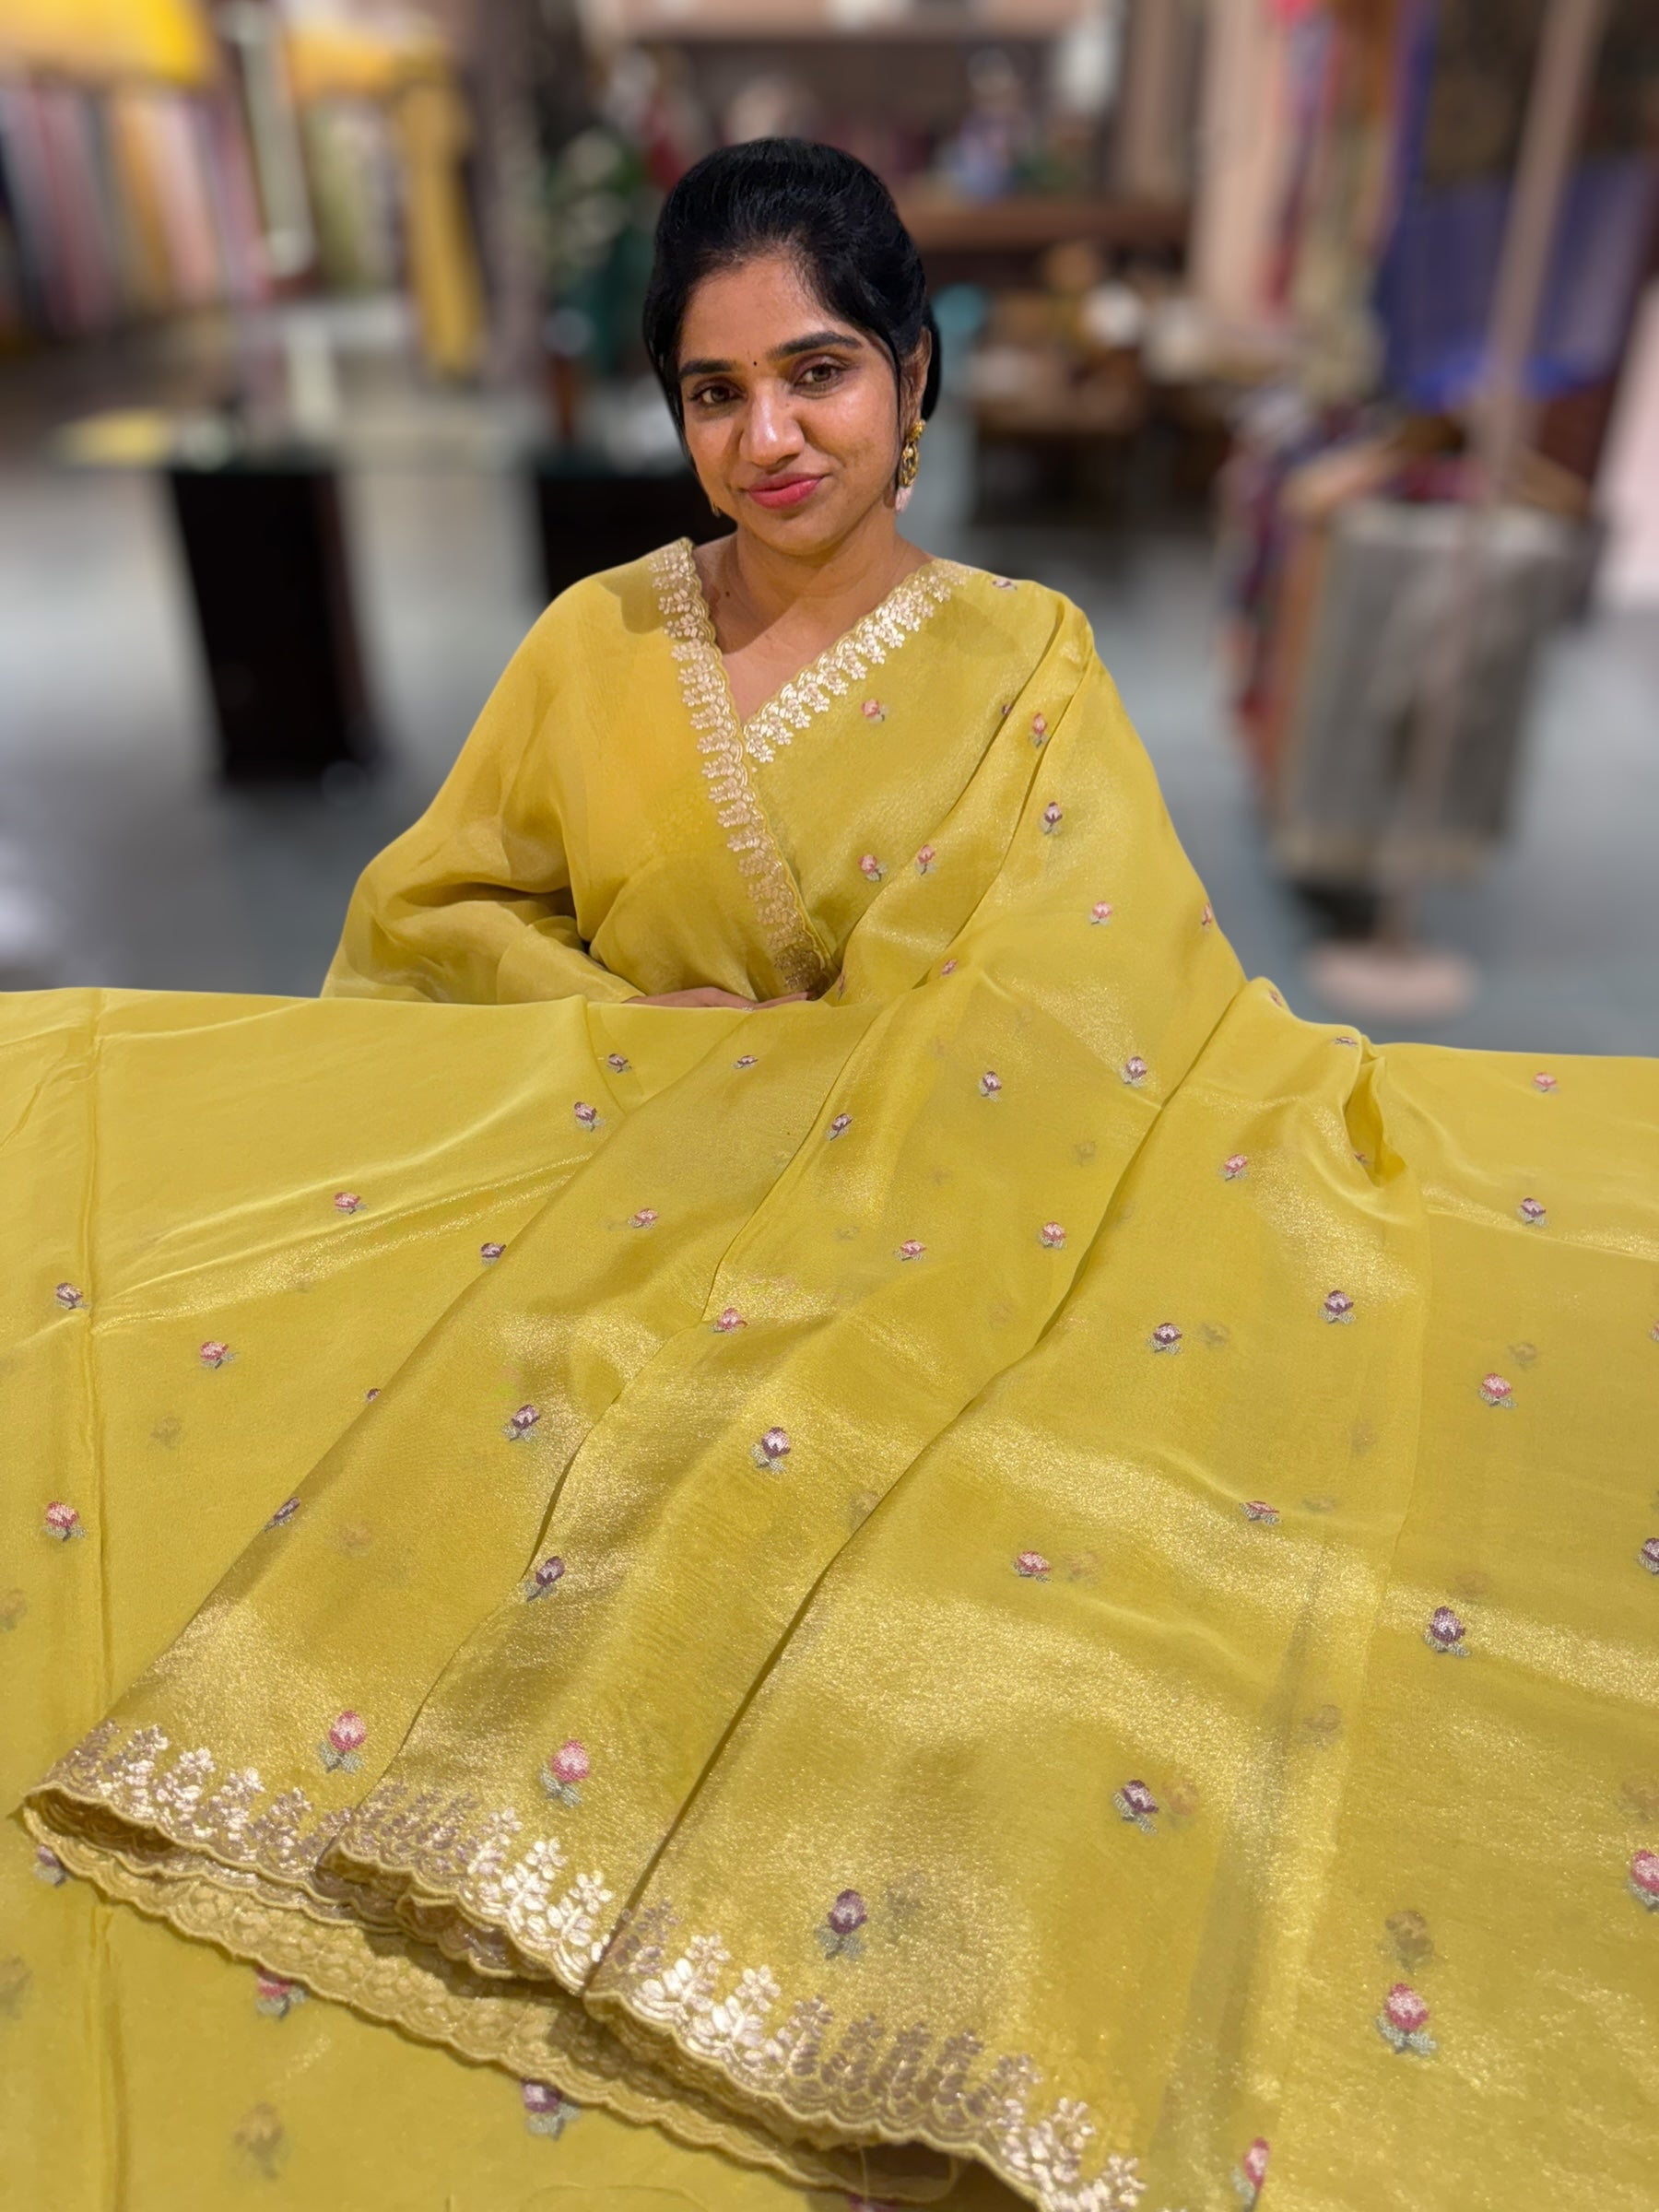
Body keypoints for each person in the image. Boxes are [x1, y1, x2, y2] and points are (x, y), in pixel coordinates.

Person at [6, 141, 1656, 2212]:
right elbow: (433, 911)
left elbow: (1071, 1000)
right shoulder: (595, 641)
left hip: (918, 1216)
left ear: (912, 375)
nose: (770, 439)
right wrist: (626, 1028)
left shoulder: (1027, 659)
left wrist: (808, 1078)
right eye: (715, 394)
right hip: (600, 1186)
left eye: (819, 373)